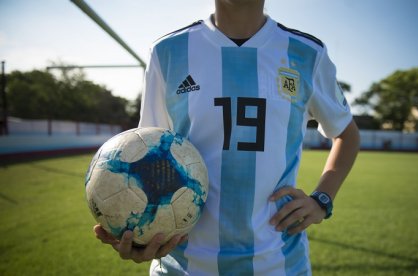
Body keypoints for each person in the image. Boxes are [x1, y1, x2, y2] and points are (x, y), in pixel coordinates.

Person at [94, 0, 360, 274]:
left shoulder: (306, 54)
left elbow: (347, 134)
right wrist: (142, 236)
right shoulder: (168, 51)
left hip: (279, 265)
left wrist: (322, 199)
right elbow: (146, 156)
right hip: (182, 266)